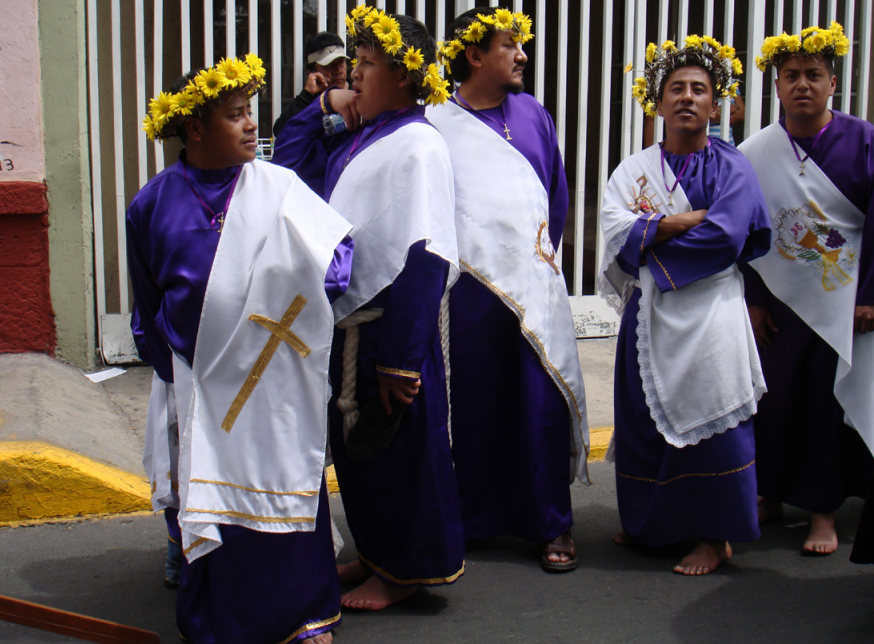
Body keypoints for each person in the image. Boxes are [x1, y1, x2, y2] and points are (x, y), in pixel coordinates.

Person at [130, 54, 354, 644]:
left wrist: (297, 286)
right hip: (201, 385)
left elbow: (338, 256)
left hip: (276, 380)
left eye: (251, 112)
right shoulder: (151, 205)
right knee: (214, 503)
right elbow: (147, 305)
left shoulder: (279, 186)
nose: (253, 125)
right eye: (236, 115)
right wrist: (182, 375)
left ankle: (306, 614)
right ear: (195, 130)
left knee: (286, 488)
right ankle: (220, 622)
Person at [272, 6, 464, 611]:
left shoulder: (417, 147)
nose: (353, 74)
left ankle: (406, 570)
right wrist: (324, 109)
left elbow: (425, 254)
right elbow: (285, 167)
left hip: (389, 333)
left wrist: (402, 361)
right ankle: (379, 552)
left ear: (405, 77)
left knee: (399, 453)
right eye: (353, 63)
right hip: (350, 329)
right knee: (359, 460)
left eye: (367, 64)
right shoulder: (362, 133)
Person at [599, 36, 771, 575]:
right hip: (649, 313)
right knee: (645, 421)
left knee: (714, 424)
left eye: (700, 89)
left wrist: (651, 236)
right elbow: (613, 227)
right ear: (658, 101)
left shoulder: (733, 167)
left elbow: (726, 236)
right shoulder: (634, 169)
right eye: (676, 88)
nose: (688, 98)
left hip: (712, 311)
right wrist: (678, 221)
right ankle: (655, 523)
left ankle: (715, 536)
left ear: (716, 105)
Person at [425, 7, 589, 573]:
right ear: (474, 56)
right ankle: (474, 519)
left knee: (537, 405)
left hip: (531, 287)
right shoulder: (436, 121)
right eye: (509, 46)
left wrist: (534, 265)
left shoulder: (533, 112)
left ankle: (552, 524)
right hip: (468, 293)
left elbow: (554, 197)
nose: (522, 55)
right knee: (473, 406)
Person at [739, 22, 874, 556]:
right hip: (779, 301)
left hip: (844, 302)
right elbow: (747, 232)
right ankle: (770, 494)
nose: (802, 85)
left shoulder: (864, 141)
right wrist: (751, 300)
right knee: (773, 401)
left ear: (832, 83)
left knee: (827, 403)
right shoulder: (756, 151)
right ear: (776, 87)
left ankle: (823, 510)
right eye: (791, 76)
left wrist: (868, 295)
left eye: (813, 75)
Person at [273, 32, 350, 136]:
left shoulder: (358, 92)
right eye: (329, 64)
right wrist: (306, 95)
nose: (338, 70)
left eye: (341, 62)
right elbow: (281, 131)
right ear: (312, 70)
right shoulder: (309, 101)